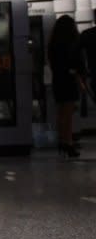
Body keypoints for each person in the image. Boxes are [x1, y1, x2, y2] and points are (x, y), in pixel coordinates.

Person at [47, 15, 86, 157]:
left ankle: (62, 141)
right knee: (68, 114)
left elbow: (53, 63)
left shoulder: (53, 44)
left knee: (61, 112)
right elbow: (76, 64)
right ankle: (68, 143)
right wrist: (80, 79)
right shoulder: (71, 43)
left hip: (58, 80)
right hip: (69, 80)